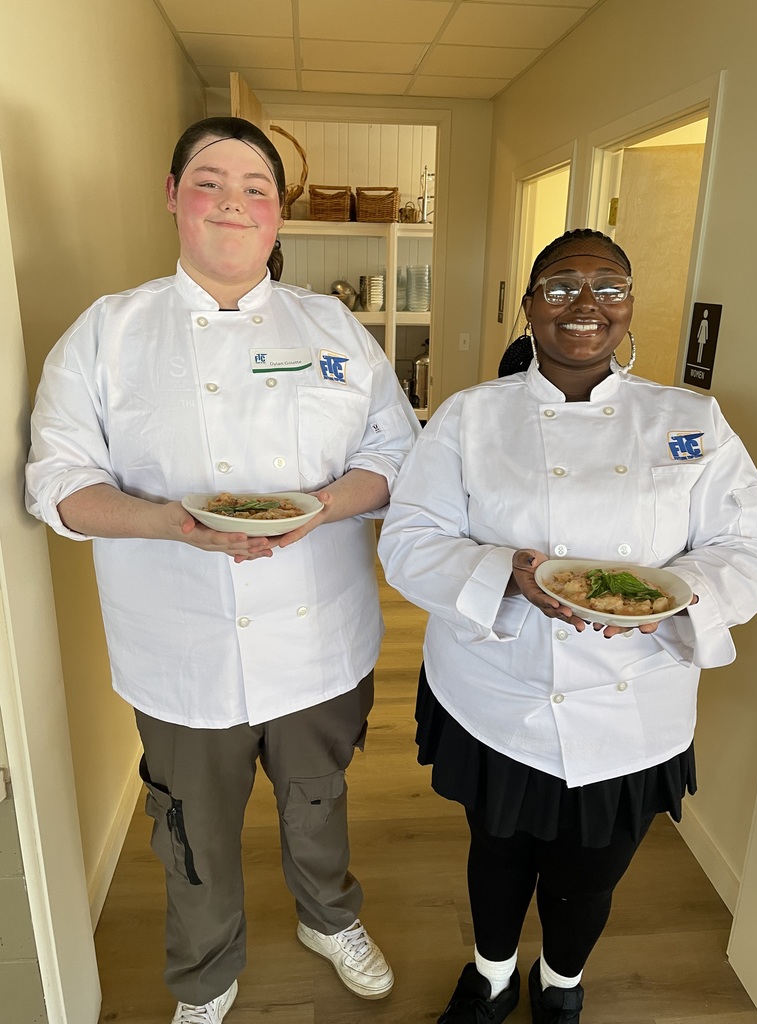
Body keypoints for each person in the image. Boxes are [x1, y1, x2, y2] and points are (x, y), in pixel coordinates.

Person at [26, 116, 420, 1024]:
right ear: (172, 197)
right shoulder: (108, 334)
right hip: (179, 648)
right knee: (189, 828)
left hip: (319, 635)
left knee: (318, 798)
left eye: (255, 188)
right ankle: (204, 977)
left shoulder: (333, 328)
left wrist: (323, 504)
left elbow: (398, 456)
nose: (233, 203)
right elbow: (58, 484)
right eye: (210, 181)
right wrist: (167, 522)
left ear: (278, 214)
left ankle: (330, 918)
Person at [378, 228, 757, 1024]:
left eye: (607, 286)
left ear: (629, 307)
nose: (584, 304)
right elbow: (409, 540)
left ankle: (561, 984)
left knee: (592, 869)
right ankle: (489, 974)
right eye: (558, 286)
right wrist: (506, 577)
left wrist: (670, 596)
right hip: (496, 689)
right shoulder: (469, 417)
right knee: (497, 849)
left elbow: (748, 545)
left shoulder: (689, 417)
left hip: (635, 700)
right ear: (527, 308)